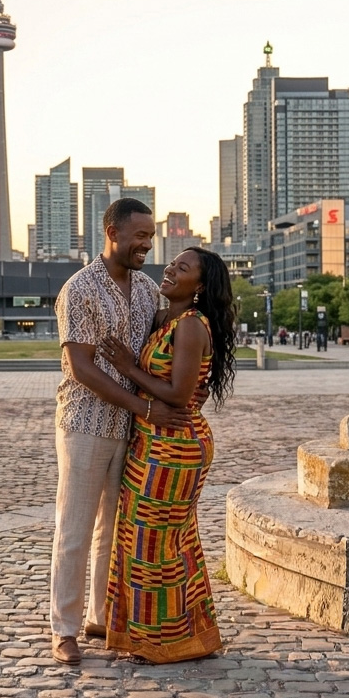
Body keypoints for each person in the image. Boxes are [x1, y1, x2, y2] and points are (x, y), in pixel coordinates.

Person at [50, 198, 191, 667]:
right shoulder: (81, 289)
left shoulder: (150, 291)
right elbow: (81, 367)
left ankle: (100, 615)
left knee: (113, 528)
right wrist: (145, 407)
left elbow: (165, 348)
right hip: (86, 424)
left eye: (151, 237)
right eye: (140, 236)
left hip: (131, 430)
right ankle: (64, 629)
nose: (147, 245)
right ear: (112, 230)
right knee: (75, 529)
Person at [99, 246, 236, 664]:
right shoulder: (164, 319)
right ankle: (180, 634)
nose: (172, 269)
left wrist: (127, 366)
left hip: (175, 447)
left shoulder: (192, 326)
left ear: (200, 285)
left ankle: (165, 641)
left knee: (155, 543)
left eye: (184, 267)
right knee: (154, 539)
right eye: (173, 262)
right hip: (151, 440)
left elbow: (179, 393)